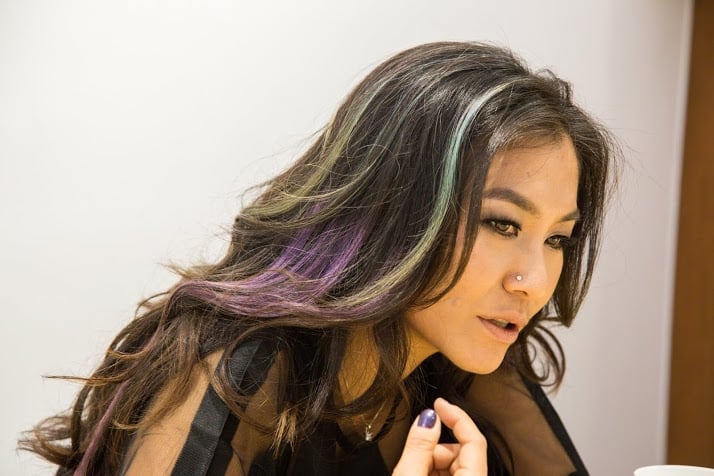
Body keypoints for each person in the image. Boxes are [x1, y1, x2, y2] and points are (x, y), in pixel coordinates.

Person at [22, 41, 615, 475]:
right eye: (502, 224)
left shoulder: (471, 369)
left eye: (557, 239)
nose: (534, 281)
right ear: (396, 208)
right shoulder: (242, 373)